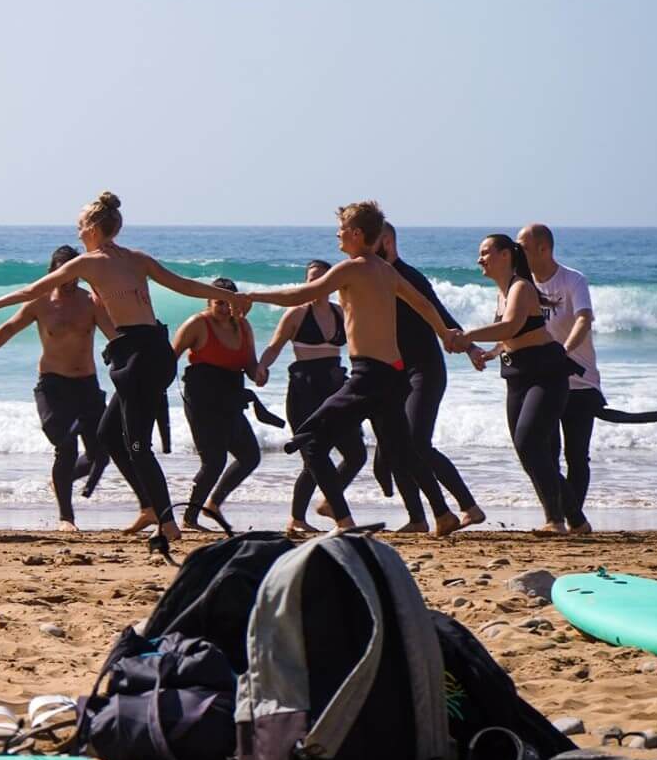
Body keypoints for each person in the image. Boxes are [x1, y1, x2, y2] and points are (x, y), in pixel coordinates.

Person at [0, 192, 257, 543]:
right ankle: (152, 509)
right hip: (151, 349)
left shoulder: (88, 263)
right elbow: (184, 285)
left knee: (137, 444)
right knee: (111, 435)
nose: (78, 233)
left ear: (93, 229)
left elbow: (34, 289)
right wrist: (232, 297)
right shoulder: (137, 258)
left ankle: (167, 522)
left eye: (80, 226)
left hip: (138, 356)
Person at [236, 201, 485, 536]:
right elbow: (425, 304)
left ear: (355, 233)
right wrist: (445, 334)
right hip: (393, 375)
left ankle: (344, 521)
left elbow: (304, 293)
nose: (337, 235)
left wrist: (253, 294)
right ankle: (442, 514)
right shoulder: (387, 271)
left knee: (309, 440)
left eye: (341, 229)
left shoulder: (350, 268)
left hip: (367, 375)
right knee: (404, 450)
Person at [516, 224, 657, 534]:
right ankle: (560, 516)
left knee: (576, 455)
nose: (517, 250)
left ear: (543, 249)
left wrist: (564, 351)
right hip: (545, 383)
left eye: (522, 246)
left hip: (580, 382)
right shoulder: (523, 286)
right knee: (544, 454)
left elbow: (583, 319)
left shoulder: (572, 280)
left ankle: (573, 518)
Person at [0, 244, 114, 530]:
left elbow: (114, 336)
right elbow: (8, 329)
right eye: (63, 275)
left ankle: (59, 481)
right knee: (65, 447)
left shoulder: (91, 302)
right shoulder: (41, 302)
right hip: (53, 387)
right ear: (52, 273)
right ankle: (66, 518)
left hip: (87, 386)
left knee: (99, 454)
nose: (70, 282)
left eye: (75, 275)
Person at [453, 234, 580, 534]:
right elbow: (513, 336)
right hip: (517, 379)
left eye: (485, 253)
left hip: (546, 375)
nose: (479, 259)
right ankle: (577, 520)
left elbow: (510, 325)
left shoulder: (521, 287)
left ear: (506, 255)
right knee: (530, 452)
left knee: (529, 444)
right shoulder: (503, 293)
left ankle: (555, 521)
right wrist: (491, 352)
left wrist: (467, 336)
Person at [376, 224, 488, 532]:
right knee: (397, 445)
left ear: (386, 241)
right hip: (395, 374)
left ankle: (468, 507)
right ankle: (417, 518)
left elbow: (438, 312)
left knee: (416, 443)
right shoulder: (375, 277)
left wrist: (471, 348)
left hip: (424, 371)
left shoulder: (408, 276)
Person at [256, 259, 370, 533]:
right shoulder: (296, 314)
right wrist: (261, 367)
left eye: (321, 278)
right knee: (313, 456)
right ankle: (315, 517)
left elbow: (361, 344)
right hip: (304, 389)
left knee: (355, 454)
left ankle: (325, 505)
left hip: (336, 387)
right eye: (311, 278)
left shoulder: (340, 312)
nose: (315, 283)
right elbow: (274, 347)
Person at [170, 278, 271, 530]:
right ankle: (190, 518)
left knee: (249, 456)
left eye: (229, 303)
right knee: (213, 461)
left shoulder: (243, 326)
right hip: (201, 399)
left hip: (230, 399)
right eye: (219, 303)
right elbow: (170, 356)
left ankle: (213, 504)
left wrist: (259, 372)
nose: (225, 308)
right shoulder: (198, 324)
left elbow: (249, 365)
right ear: (208, 302)